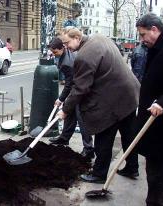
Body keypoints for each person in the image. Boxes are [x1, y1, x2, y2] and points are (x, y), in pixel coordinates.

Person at [58, 27, 140, 183]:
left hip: (113, 99)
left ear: (76, 38)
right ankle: (132, 167)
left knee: (103, 135)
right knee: (128, 134)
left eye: (67, 42)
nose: (66, 47)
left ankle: (99, 174)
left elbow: (80, 88)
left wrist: (65, 109)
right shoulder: (99, 38)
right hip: (129, 94)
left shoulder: (83, 56)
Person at [135, 13, 163, 206]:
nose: (142, 40)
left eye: (143, 35)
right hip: (157, 123)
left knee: (157, 175)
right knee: (162, 173)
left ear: (154, 29)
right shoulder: (162, 46)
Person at [47, 37, 94, 160]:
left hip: (81, 91)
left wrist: (61, 99)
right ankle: (64, 139)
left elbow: (69, 84)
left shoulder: (66, 63)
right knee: (70, 115)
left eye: (55, 51)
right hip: (77, 88)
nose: (54, 54)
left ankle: (89, 149)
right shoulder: (66, 54)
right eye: (52, 52)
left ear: (62, 48)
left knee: (81, 118)